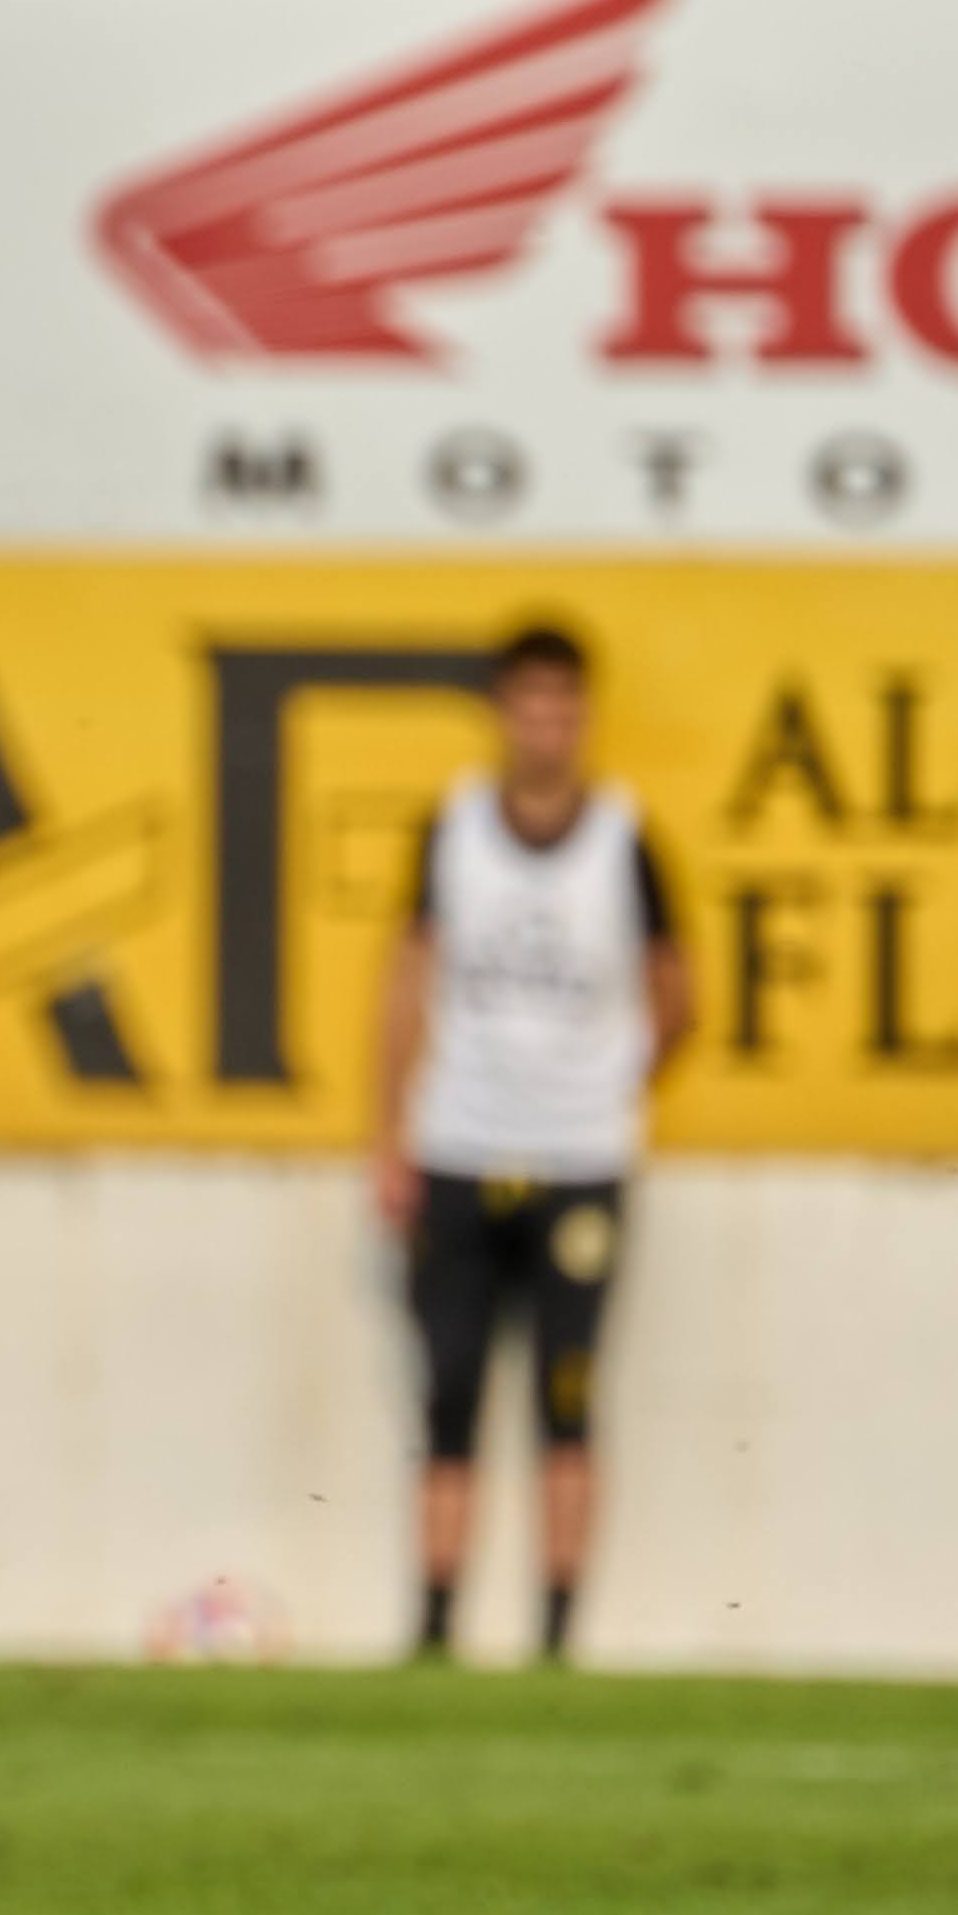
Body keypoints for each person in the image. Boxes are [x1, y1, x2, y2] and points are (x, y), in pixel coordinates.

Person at [369, 622, 691, 1668]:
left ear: (582, 716)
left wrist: (605, 1090)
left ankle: (556, 1637)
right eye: (530, 705)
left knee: (566, 1394)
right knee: (449, 1389)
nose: (547, 726)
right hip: (459, 1144)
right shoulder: (453, 829)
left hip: (580, 1159)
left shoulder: (625, 840)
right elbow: (407, 979)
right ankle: (432, 1628)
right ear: (503, 712)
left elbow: (678, 993)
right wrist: (390, 1135)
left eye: (565, 707)